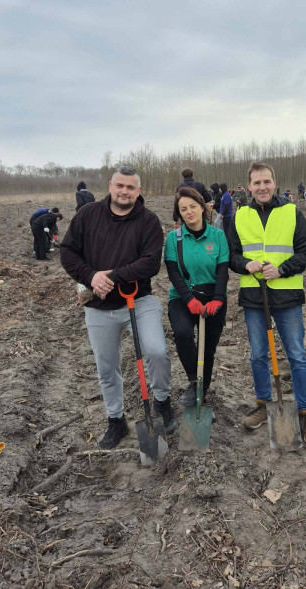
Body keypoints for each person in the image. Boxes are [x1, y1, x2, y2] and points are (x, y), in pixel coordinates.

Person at [60, 166, 176, 449]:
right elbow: (67, 251)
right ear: (111, 186)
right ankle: (116, 420)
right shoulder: (87, 215)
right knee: (106, 366)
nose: (124, 192)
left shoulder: (148, 221)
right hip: (99, 307)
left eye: (131, 187)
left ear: (138, 191)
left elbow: (150, 263)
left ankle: (162, 401)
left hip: (139, 300)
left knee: (157, 351)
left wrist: (110, 276)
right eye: (120, 186)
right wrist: (90, 277)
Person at [228, 161, 306, 445]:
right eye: (256, 183)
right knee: (257, 354)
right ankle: (263, 405)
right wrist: (247, 264)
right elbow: (231, 256)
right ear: (249, 187)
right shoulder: (239, 216)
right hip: (254, 297)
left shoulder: (292, 212)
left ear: (274, 182)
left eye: (266, 181)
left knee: (295, 355)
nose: (262, 187)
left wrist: (281, 269)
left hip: (287, 296)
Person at [164, 187, 229, 408]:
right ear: (179, 214)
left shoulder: (218, 236)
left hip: (213, 296)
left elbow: (222, 271)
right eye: (183, 209)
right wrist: (189, 299)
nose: (189, 212)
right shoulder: (174, 239)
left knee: (208, 346)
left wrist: (218, 298)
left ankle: (203, 389)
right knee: (182, 333)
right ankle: (194, 380)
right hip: (183, 296)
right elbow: (173, 273)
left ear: (202, 207)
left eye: (193, 206)